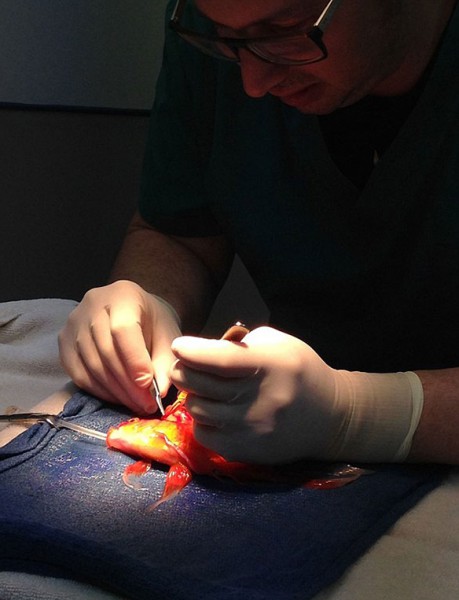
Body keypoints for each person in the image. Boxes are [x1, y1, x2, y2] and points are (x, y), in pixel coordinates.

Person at [59, 0, 459, 467]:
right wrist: (148, 302)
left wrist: (359, 412)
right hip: (280, 443)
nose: (253, 82)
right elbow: (181, 235)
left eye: (286, 29)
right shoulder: (220, 20)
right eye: (227, 38)